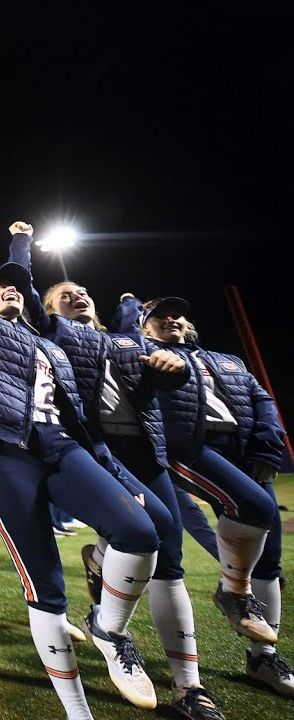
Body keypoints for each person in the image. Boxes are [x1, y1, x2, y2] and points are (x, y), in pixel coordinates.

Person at [0, 215, 159, 720]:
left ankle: (109, 629)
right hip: (0, 450)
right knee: (46, 589)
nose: (11, 293)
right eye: (0, 289)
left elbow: (79, 421)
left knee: (138, 531)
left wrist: (120, 479)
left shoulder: (50, 346)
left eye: (18, 290)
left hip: (60, 444)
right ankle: (77, 712)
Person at [17, 244, 226, 716]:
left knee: (169, 558)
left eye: (83, 291)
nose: (79, 296)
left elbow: (156, 385)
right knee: (144, 530)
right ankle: (108, 627)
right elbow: (35, 311)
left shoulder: (126, 341)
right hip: (99, 448)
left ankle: (188, 688)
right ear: (48, 311)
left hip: (146, 449)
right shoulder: (57, 338)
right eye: (65, 295)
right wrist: (22, 251)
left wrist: (171, 366)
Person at [141, 295, 291, 697]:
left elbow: (262, 402)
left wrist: (265, 445)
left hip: (242, 449)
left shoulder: (228, 360)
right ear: (145, 326)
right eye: (159, 316)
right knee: (248, 511)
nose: (171, 320)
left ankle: (262, 656)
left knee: (269, 557)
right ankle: (231, 591)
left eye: (177, 315)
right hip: (190, 447)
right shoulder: (140, 355)